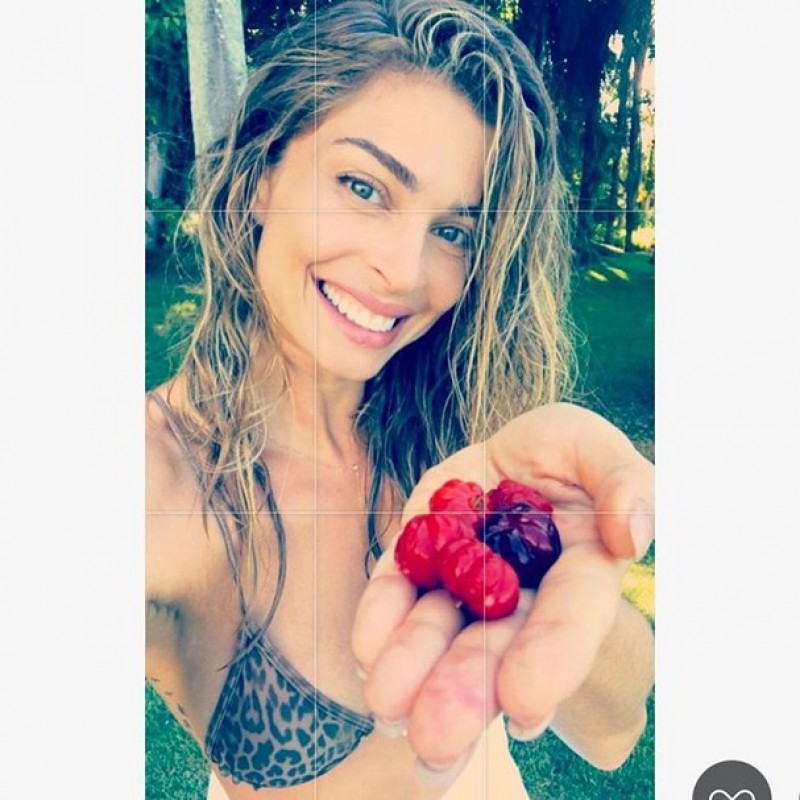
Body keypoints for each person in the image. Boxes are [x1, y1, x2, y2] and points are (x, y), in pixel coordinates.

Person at [145, 0, 655, 798]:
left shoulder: (465, 441)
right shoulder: (158, 480)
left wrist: (550, 560)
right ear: (260, 175)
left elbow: (616, 735)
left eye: (454, 232)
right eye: (364, 187)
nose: (405, 269)